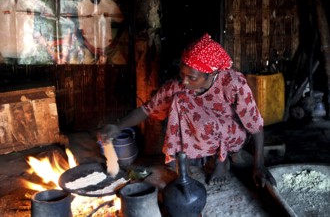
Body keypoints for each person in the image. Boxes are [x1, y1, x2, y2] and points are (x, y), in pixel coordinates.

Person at [101, 33, 276, 187]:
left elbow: (255, 125)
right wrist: (118, 126)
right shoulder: (179, 86)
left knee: (211, 122)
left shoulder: (233, 84)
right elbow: (147, 109)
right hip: (203, 129)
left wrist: (259, 164)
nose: (184, 82)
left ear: (212, 75)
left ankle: (221, 160)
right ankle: (183, 163)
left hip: (231, 133)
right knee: (180, 99)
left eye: (192, 78)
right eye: (182, 74)